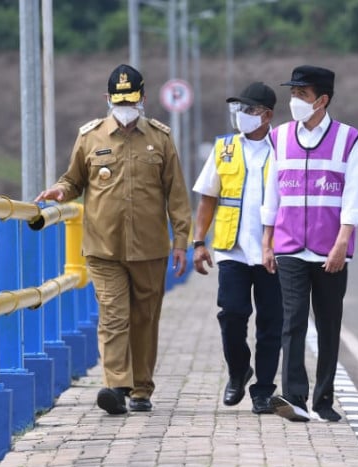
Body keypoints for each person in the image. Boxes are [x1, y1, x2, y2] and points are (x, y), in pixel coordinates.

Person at [35, 63, 191, 415]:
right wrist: (61, 191)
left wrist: (181, 242)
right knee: (113, 315)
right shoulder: (90, 137)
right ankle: (116, 386)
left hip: (150, 249)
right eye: (119, 101)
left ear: (143, 99)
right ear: (107, 99)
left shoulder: (160, 139)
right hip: (103, 248)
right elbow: (73, 180)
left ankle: (141, 389)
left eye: (131, 101)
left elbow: (177, 195)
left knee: (145, 319)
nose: (125, 107)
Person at [261, 65, 358, 423]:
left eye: (302, 95)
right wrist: (267, 241)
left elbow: (353, 198)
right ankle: (294, 398)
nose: (295, 101)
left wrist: (341, 244)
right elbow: (271, 194)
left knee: (328, 325)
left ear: (322, 100)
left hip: (329, 249)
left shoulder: (347, 139)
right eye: (292, 94)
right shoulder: (279, 137)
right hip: (289, 246)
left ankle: (323, 400)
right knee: (292, 322)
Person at [192, 82, 282, 415]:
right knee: (231, 315)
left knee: (271, 323)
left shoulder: (284, 148)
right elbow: (208, 197)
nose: (241, 116)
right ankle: (238, 371)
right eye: (239, 109)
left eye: (248, 110)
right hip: (232, 249)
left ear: (267, 115)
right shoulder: (225, 148)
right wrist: (199, 242)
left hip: (274, 251)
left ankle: (263, 390)